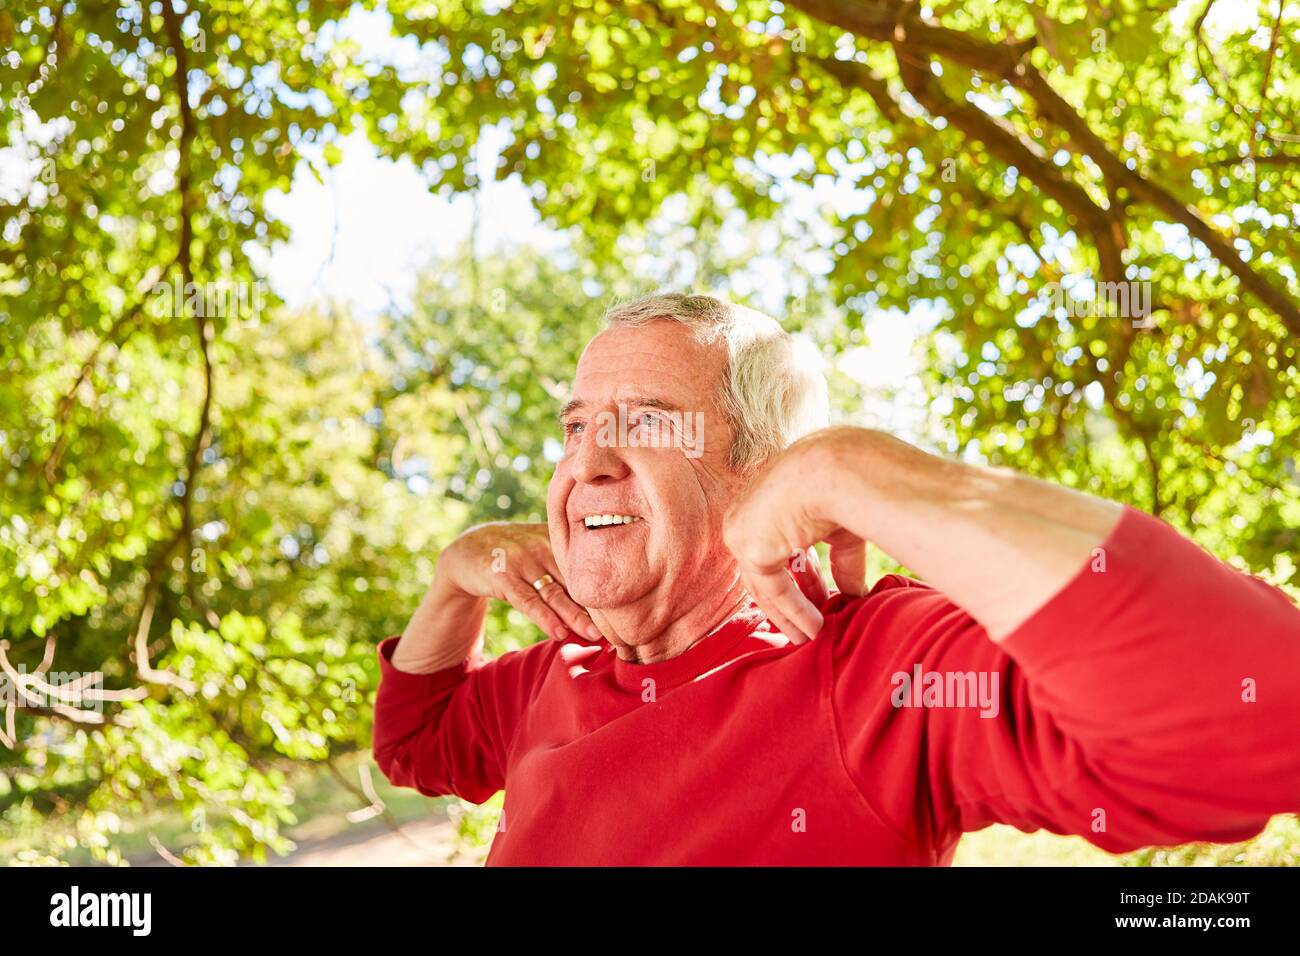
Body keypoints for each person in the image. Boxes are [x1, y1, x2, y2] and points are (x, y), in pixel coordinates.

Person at [373, 293, 1300, 865]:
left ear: (763, 471)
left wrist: (863, 471)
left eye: (649, 422)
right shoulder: (562, 666)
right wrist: (457, 583)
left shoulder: (864, 668)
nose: (587, 464)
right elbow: (412, 745)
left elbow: (1263, 720)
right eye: (577, 428)